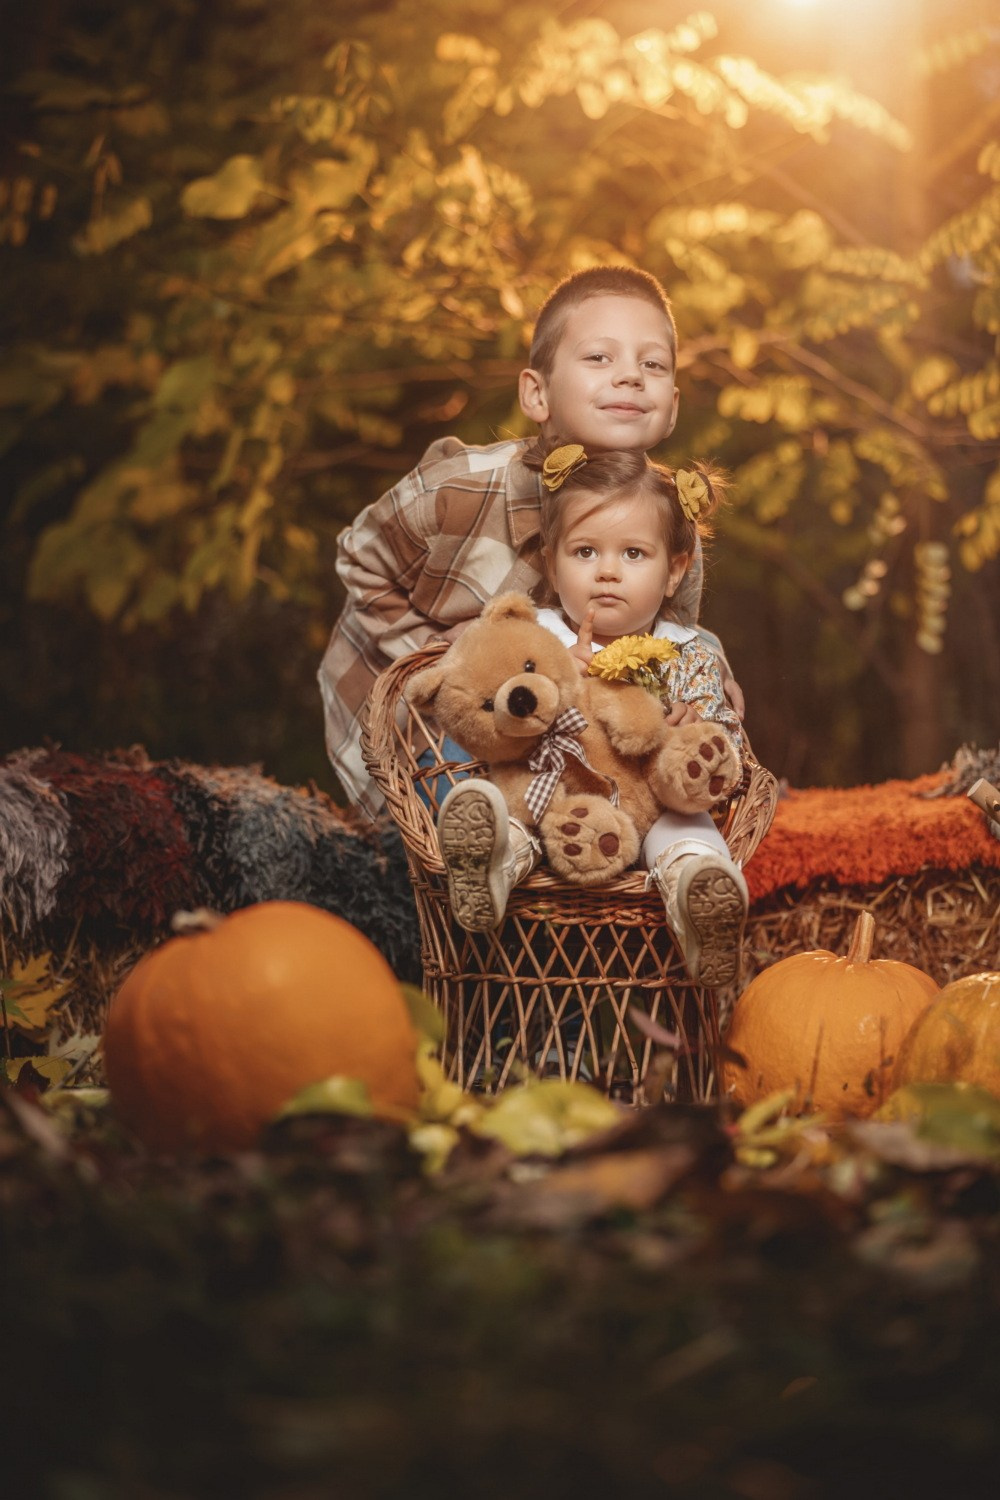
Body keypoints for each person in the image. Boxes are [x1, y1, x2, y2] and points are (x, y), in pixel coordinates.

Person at [318, 265, 744, 819]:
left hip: (558, 735)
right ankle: (479, 834)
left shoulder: (663, 520)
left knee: (622, 793)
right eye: (599, 357)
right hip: (421, 723)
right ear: (537, 394)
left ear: (673, 410)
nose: (631, 376)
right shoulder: (463, 488)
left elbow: (669, 636)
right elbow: (360, 557)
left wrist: (705, 691)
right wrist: (451, 656)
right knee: (475, 771)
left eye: (652, 364)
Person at [436, 445, 748, 987]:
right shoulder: (540, 640)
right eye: (584, 553)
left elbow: (728, 749)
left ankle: (697, 894)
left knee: (685, 828)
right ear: (552, 565)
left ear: (673, 572)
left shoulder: (688, 653)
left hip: (652, 808)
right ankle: (491, 869)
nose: (606, 572)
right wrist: (567, 682)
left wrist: (701, 733)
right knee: (522, 813)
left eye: (633, 554)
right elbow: (491, 711)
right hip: (561, 801)